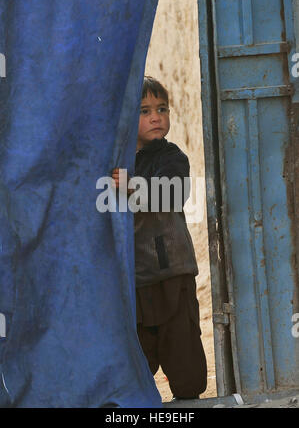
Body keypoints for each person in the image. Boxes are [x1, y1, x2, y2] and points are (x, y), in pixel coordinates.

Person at [112, 76, 207, 400]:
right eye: (145, 111)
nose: (156, 117)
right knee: (137, 369)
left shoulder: (172, 158)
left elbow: (174, 192)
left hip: (172, 276)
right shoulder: (114, 162)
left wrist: (131, 186)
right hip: (135, 284)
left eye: (162, 109)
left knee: (189, 380)